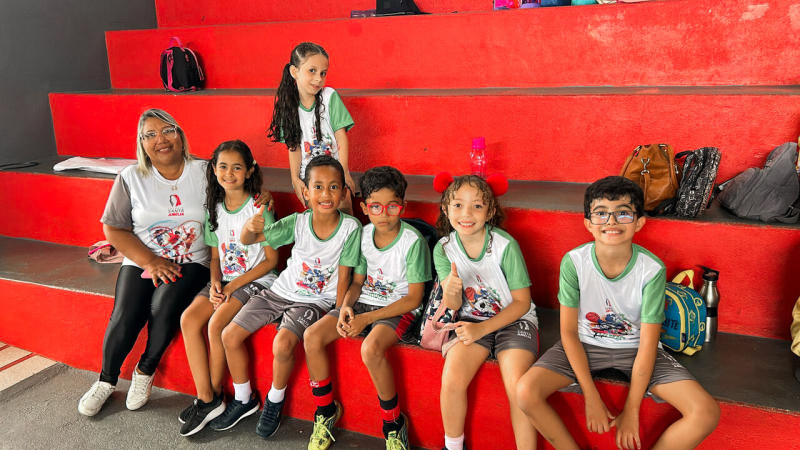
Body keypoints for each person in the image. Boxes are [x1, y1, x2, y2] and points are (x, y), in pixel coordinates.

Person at [77, 109, 272, 417]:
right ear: (142, 143)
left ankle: (145, 370)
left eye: (167, 131)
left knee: (163, 303)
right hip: (143, 257)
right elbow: (112, 229)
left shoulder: (204, 170)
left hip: (192, 259)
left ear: (180, 136)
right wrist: (150, 261)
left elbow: (238, 185)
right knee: (125, 311)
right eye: (150, 135)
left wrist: (263, 195)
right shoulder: (130, 177)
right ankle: (106, 380)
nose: (161, 140)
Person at [515, 176, 720, 450]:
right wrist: (591, 396)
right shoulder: (574, 262)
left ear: (639, 222)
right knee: (526, 392)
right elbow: (568, 332)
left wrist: (631, 410)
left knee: (705, 412)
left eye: (623, 213)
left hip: (637, 349)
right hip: (584, 344)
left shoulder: (651, 269)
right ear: (588, 223)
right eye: (601, 213)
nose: (611, 221)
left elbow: (648, 342)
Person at [216, 155, 362, 440]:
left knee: (282, 343)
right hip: (279, 291)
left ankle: (274, 398)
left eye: (334, 187)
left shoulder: (350, 228)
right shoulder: (298, 221)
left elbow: (345, 276)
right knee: (229, 335)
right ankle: (244, 398)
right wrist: (249, 228)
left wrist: (338, 311)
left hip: (314, 301)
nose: (326, 194)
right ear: (305, 192)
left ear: (344, 192)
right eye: (318, 187)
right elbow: (249, 240)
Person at [303, 166, 431, 450]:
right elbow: (358, 282)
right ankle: (325, 411)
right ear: (364, 207)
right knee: (312, 336)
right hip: (363, 302)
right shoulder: (363, 235)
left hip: (398, 308)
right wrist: (346, 307)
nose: (384, 214)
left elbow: (413, 299)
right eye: (375, 207)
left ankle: (393, 425)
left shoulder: (413, 242)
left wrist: (367, 319)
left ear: (402, 206)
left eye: (392, 206)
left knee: (371, 348)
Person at [177, 140, 279, 436]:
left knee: (216, 324)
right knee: (189, 319)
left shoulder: (259, 208)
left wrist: (232, 285)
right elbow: (215, 256)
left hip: (255, 281)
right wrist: (215, 283)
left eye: (237, 167)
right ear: (213, 169)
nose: (229, 173)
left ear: (249, 171)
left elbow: (271, 260)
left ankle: (217, 395)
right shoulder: (214, 208)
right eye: (223, 166)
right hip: (226, 281)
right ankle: (206, 397)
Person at [435, 175, 539, 450]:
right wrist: (451, 290)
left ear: (490, 211)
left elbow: (522, 303)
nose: (466, 214)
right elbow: (454, 305)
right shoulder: (443, 248)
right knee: (452, 378)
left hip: (515, 319)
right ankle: (453, 446)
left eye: (477, 206)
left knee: (517, 385)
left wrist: (482, 329)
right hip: (472, 319)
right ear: (446, 208)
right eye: (458, 205)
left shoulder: (505, 246)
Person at [266, 42, 356, 214]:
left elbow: (341, 137)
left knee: (345, 211)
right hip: (309, 175)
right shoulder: (289, 107)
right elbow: (294, 147)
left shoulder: (330, 97)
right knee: (320, 215)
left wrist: (344, 171)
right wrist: (295, 178)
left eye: (323, 73)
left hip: (334, 171)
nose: (318, 78)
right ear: (295, 72)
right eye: (312, 71)